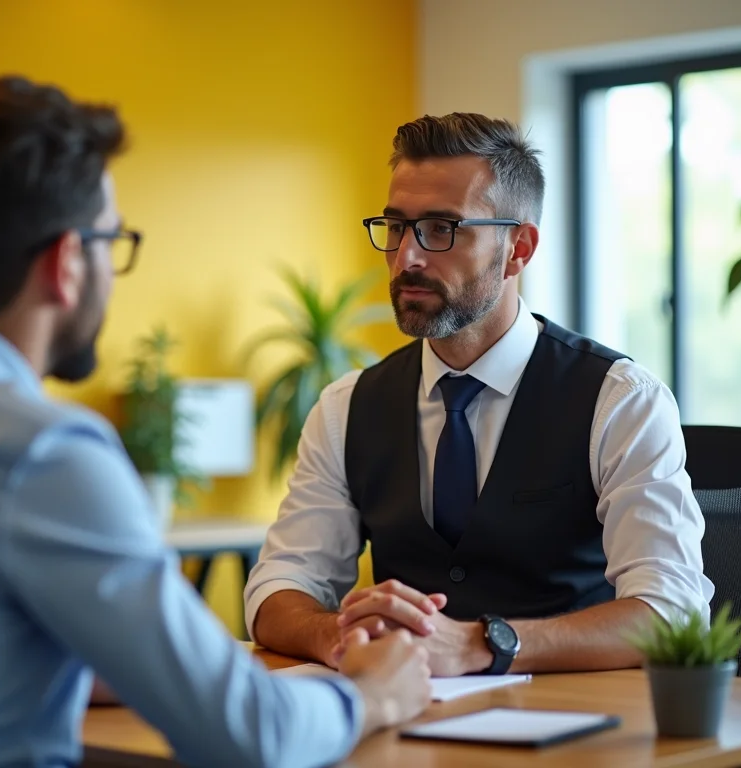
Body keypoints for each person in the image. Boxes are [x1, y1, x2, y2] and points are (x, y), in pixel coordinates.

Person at [0, 75, 432, 768]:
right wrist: (373, 695)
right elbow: (251, 737)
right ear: (67, 263)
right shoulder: (41, 452)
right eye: (111, 239)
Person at [243, 112, 715, 678]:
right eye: (396, 228)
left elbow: (671, 612)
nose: (406, 258)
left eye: (442, 229)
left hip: (580, 731)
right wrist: (339, 635)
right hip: (410, 726)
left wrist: (479, 644)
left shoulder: (619, 402)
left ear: (519, 248)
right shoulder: (347, 407)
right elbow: (277, 588)